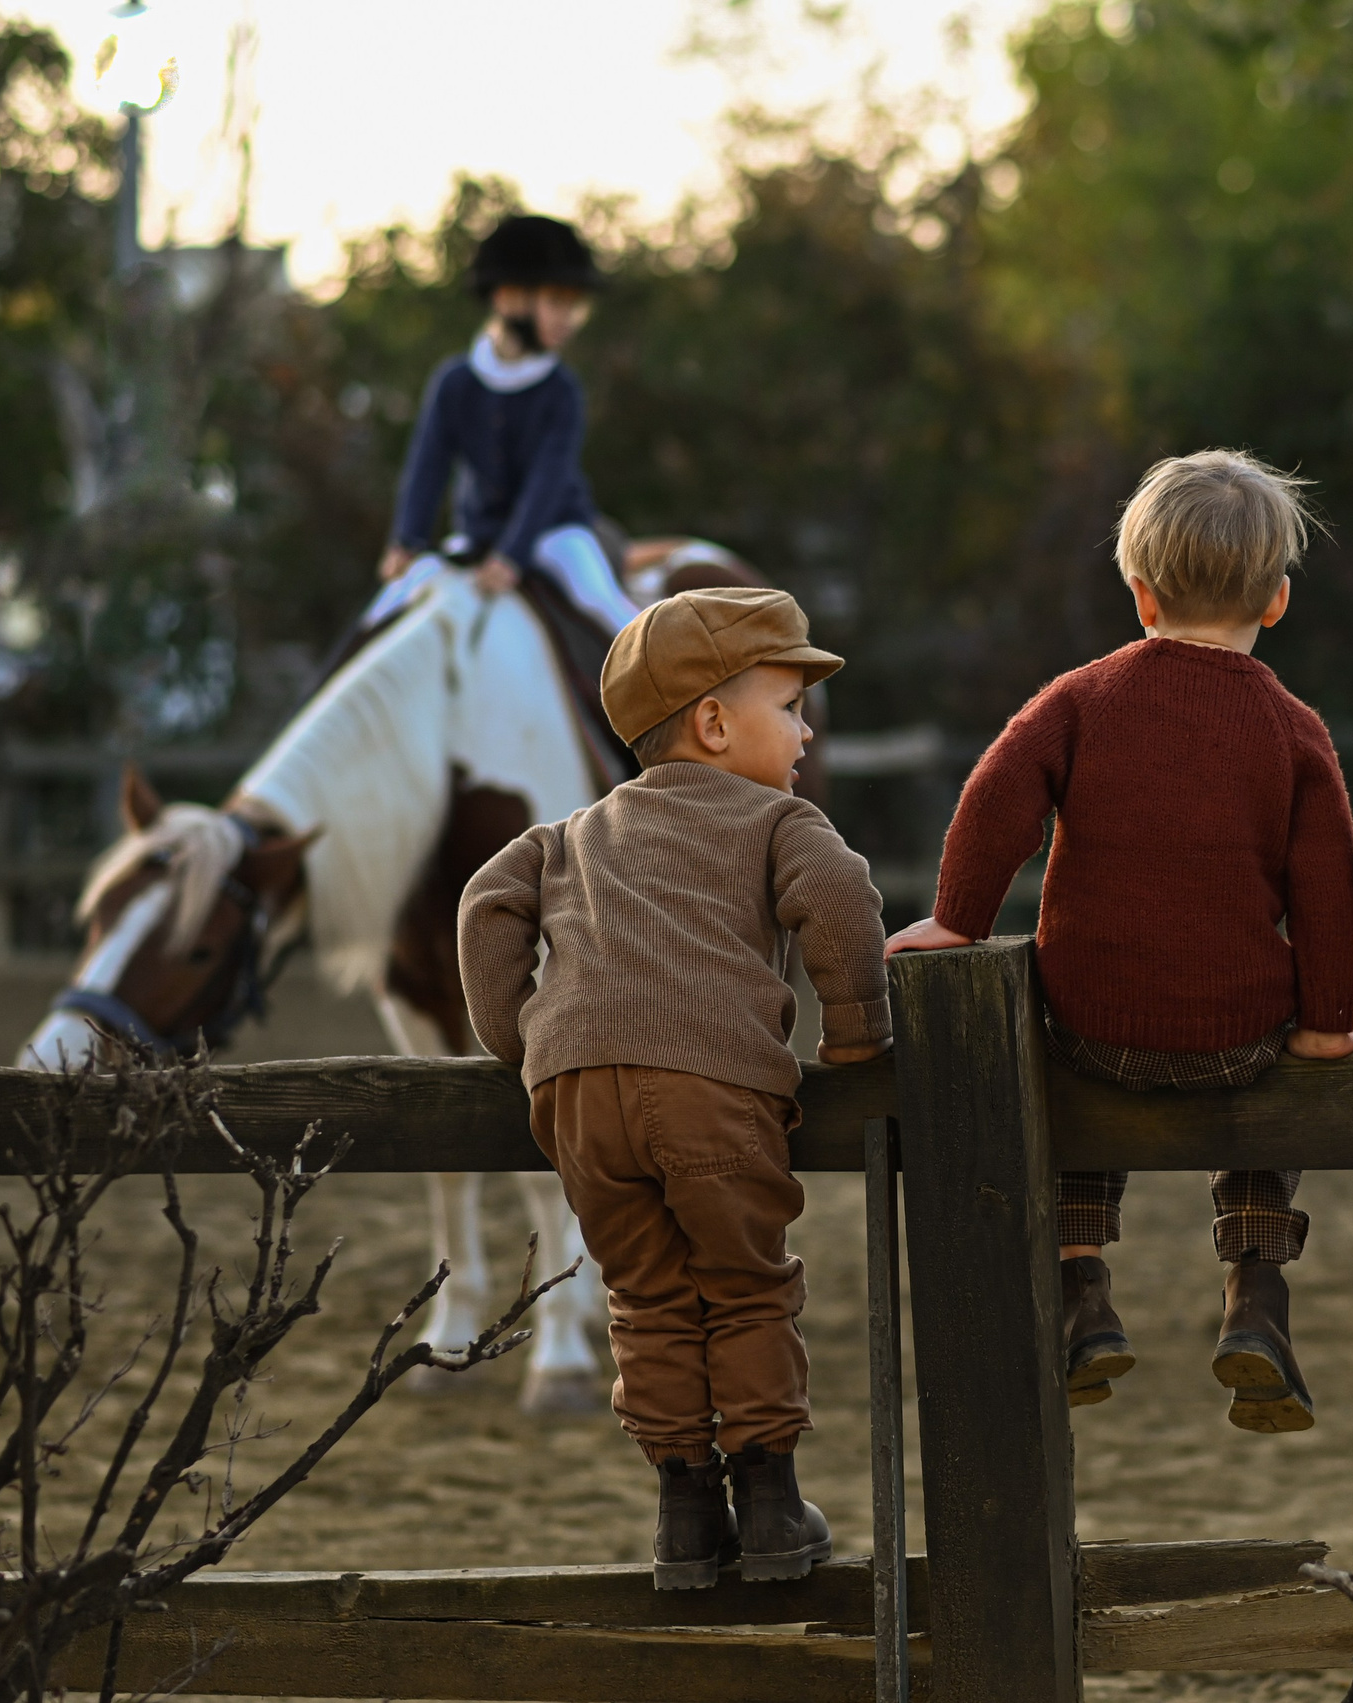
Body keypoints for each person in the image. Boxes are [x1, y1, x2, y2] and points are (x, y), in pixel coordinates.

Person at [887, 449, 1353, 1434]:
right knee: (1274, 1110)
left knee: (1056, 1089)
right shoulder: (1293, 727)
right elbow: (1327, 889)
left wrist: (957, 919)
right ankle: (1256, 1287)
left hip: (1093, 1022)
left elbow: (993, 801)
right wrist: (1321, 1019)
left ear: (1140, 595)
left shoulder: (1079, 699)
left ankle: (1081, 1289)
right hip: (1237, 1033)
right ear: (1275, 599)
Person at [456, 585, 891, 1591]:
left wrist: (520, 1037)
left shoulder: (569, 833)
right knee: (744, 1281)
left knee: (647, 1293)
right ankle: (772, 1502)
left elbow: (487, 906)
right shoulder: (778, 820)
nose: (803, 728)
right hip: (710, 1083)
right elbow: (837, 899)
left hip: (576, 1096)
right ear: (712, 721)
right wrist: (860, 1035)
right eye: (788, 704)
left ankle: (685, 1513)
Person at [378, 213, 640, 633]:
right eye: (558, 302)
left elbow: (548, 480)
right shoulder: (455, 382)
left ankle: (670, 682)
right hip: (477, 537)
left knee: (600, 601)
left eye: (576, 306)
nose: (569, 319)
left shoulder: (561, 391)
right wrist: (407, 540)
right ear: (509, 297)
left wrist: (512, 555)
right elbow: (428, 465)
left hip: (556, 533)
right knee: (388, 605)